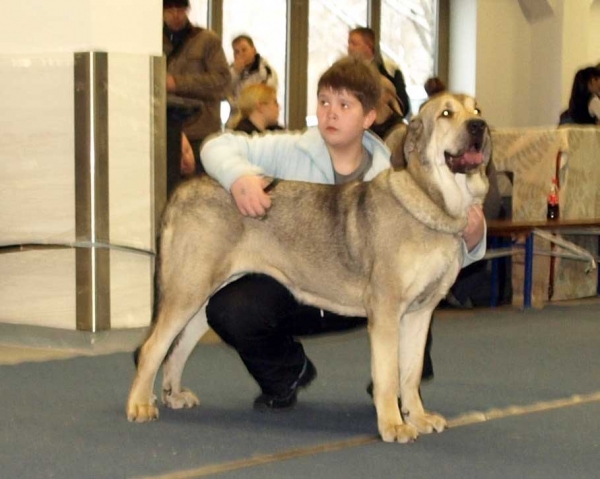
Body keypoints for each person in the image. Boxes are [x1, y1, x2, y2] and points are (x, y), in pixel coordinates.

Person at [200, 56, 486, 411]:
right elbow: (215, 145)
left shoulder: (389, 173)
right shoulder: (288, 146)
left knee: (414, 288)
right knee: (231, 309)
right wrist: (237, 177)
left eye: (344, 105)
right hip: (293, 285)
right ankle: (287, 372)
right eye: (323, 102)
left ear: (368, 117)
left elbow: (442, 245)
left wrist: (474, 236)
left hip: (358, 295)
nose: (330, 113)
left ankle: (398, 390)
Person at [163, 0, 231, 178]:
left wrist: (177, 83)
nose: (176, 14)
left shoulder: (207, 40)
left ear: (187, 10)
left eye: (180, 8)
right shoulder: (150, 43)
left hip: (201, 133)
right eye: (170, 9)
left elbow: (223, 82)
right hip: (166, 133)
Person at [348, 26, 411, 118]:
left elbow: (403, 105)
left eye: (354, 44)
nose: (349, 48)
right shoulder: (344, 73)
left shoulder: (390, 71)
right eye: (349, 43)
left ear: (368, 46)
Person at [227, 34, 279, 128]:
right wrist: (235, 72)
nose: (240, 54)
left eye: (244, 50)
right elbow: (224, 93)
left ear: (253, 50)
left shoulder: (265, 72)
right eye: (236, 52)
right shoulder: (231, 71)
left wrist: (241, 103)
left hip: (259, 120)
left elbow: (265, 97)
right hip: (235, 121)